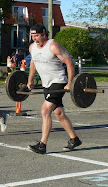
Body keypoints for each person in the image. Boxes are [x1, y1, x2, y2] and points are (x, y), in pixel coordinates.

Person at [27, 23, 82, 154]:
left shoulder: (53, 46)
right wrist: (30, 80)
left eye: (37, 35)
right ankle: (74, 139)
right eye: (33, 36)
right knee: (58, 113)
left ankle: (42, 145)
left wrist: (69, 83)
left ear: (44, 34)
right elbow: (33, 63)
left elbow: (69, 62)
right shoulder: (32, 48)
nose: (35, 38)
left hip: (58, 82)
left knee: (45, 111)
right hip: (47, 84)